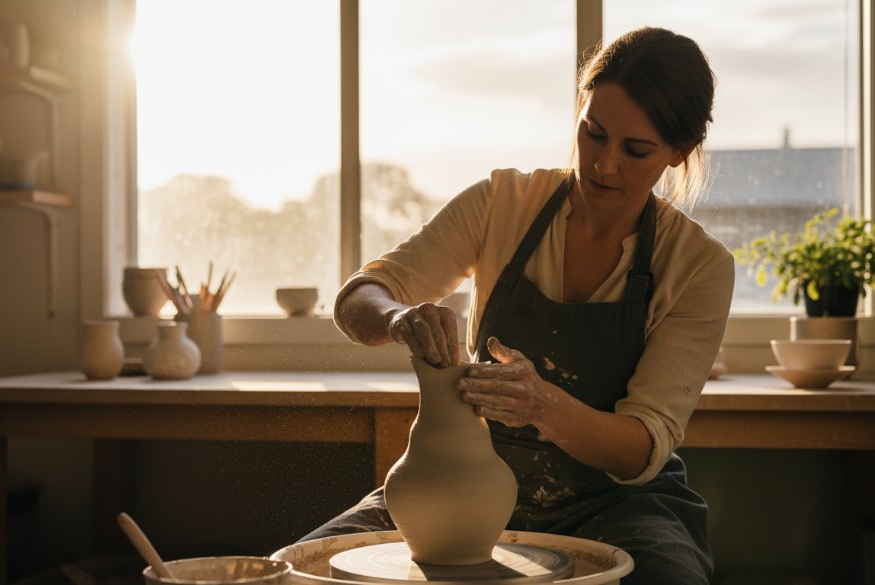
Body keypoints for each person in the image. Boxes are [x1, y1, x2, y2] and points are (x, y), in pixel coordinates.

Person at [301, 26, 734, 585]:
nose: (604, 164)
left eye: (635, 150)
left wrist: (544, 407)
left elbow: (640, 448)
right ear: (579, 111)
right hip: (461, 481)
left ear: (680, 152)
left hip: (620, 505)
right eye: (593, 133)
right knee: (294, 569)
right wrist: (398, 317)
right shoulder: (501, 203)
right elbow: (358, 299)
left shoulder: (698, 264)